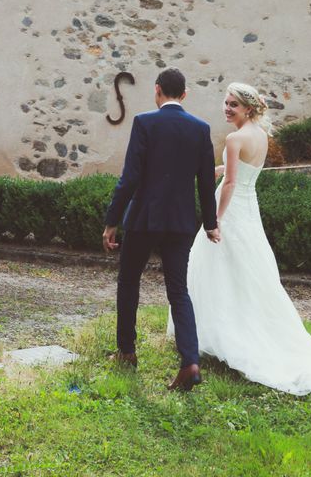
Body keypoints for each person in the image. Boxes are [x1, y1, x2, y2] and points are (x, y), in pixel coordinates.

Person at [168, 82, 311, 407]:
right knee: (242, 273)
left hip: (232, 210)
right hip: (249, 211)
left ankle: (222, 334)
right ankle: (213, 332)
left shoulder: (235, 138)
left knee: (217, 268)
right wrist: (215, 169)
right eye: (226, 102)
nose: (227, 108)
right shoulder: (261, 136)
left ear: (248, 108)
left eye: (233, 104)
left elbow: (232, 182)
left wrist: (215, 219)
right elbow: (240, 174)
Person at [103, 68, 220, 391]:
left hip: (143, 220)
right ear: (184, 95)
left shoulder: (144, 123)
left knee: (128, 282)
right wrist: (210, 224)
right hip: (181, 223)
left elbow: (130, 178)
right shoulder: (200, 129)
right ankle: (190, 363)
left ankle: (126, 352)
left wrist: (112, 221)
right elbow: (206, 183)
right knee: (178, 291)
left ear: (157, 91)